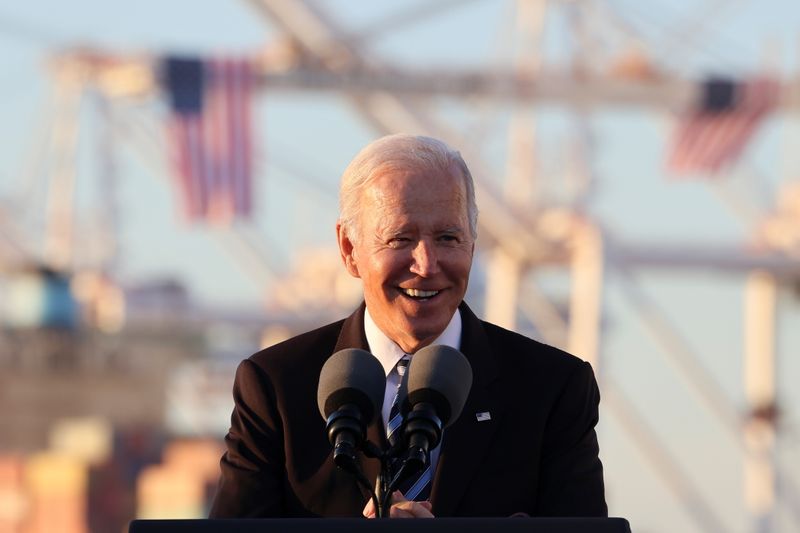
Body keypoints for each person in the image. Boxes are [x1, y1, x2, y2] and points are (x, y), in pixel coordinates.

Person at [208, 134, 607, 519]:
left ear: (472, 242)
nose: (427, 265)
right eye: (401, 239)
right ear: (349, 250)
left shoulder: (552, 389)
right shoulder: (276, 388)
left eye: (448, 237)